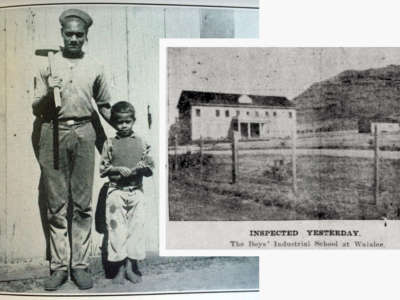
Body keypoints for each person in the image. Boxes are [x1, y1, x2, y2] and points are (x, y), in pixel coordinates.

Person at [33, 8, 112, 290]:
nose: (74, 39)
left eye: (80, 34)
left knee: (82, 205)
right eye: (70, 34)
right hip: (51, 131)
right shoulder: (47, 65)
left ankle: (79, 266)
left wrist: (123, 133)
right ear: (62, 35)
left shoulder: (95, 66)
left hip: (84, 132)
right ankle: (58, 268)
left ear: (86, 36)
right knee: (56, 206)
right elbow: (35, 107)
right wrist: (46, 90)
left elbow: (104, 106)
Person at [100, 101, 154, 284]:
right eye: (119, 122)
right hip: (116, 192)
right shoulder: (110, 143)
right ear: (114, 123)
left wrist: (141, 168)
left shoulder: (141, 142)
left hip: (136, 192)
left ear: (133, 121)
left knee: (136, 229)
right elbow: (103, 169)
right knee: (117, 231)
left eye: (127, 122)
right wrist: (117, 169)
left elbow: (150, 168)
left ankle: (131, 268)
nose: (123, 125)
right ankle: (119, 270)